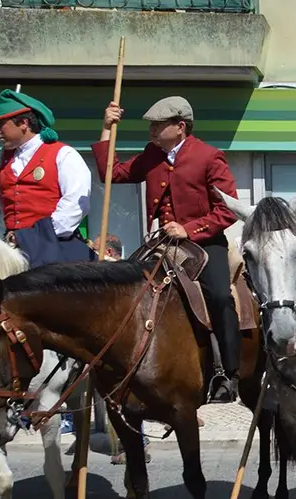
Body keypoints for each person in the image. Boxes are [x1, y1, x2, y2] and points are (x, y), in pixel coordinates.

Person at [94, 96, 242, 403]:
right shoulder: (152, 155)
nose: (152, 131)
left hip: (204, 244)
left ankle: (229, 373)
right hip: (161, 243)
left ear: (180, 127)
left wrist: (189, 228)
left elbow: (228, 210)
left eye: (159, 125)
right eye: (152, 125)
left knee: (218, 295)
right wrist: (107, 128)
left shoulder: (210, 156)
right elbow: (112, 174)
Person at [0, 89, 93, 268]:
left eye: (1, 123)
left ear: (23, 123)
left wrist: (32, 236)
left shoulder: (63, 154)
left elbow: (75, 205)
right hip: (12, 250)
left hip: (55, 248)